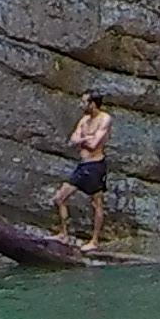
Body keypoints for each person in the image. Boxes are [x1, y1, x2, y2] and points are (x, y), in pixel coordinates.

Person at [53, 91, 112, 248]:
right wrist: (85, 138)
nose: (81, 105)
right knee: (60, 198)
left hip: (95, 166)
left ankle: (94, 241)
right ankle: (64, 234)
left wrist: (82, 140)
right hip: (82, 165)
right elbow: (73, 139)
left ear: (92, 104)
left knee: (96, 203)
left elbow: (94, 145)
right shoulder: (84, 119)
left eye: (84, 102)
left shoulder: (104, 119)